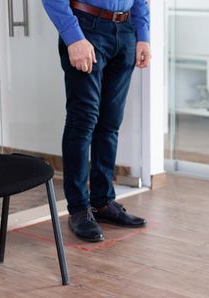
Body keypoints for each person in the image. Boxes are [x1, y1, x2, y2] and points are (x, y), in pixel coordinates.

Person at [42, 0, 151, 242]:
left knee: (110, 123)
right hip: (86, 29)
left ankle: (102, 203)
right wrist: (73, 37)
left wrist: (143, 34)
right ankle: (79, 210)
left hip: (125, 30)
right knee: (83, 121)